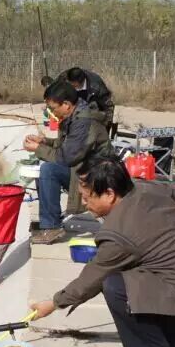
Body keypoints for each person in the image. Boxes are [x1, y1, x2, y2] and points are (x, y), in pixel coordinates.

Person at [28, 155, 175, 347]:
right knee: (136, 272)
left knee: (115, 287)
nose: (84, 204)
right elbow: (174, 193)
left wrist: (53, 303)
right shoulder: (145, 188)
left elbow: (92, 278)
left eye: (87, 197)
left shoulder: (118, 234)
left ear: (109, 194)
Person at [23, 81, 111, 244]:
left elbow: (67, 157)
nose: (51, 112)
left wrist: (38, 149)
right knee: (44, 170)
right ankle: (49, 221)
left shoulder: (84, 122)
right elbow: (66, 146)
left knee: (49, 170)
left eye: (53, 108)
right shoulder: (74, 116)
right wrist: (44, 141)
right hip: (81, 168)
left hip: (95, 174)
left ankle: (52, 227)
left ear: (66, 105)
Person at [41, 67, 115, 127]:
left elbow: (108, 105)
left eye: (74, 85)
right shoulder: (63, 78)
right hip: (70, 113)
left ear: (81, 82)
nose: (72, 87)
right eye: (70, 84)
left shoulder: (96, 85)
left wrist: (107, 124)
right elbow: (53, 92)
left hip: (90, 112)